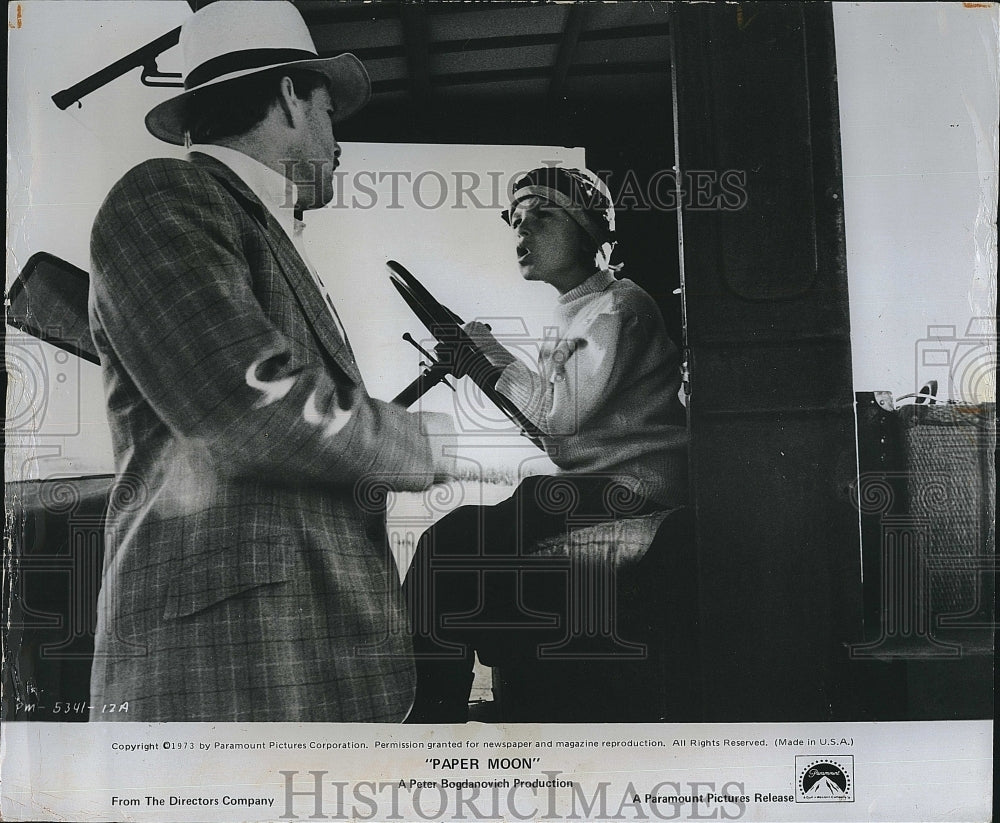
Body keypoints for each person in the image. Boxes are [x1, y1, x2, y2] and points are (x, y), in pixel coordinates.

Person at [88, 1, 454, 722]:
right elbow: (244, 399)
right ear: (289, 95)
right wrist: (424, 441)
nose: (336, 142)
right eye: (328, 111)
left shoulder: (252, 227)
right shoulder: (166, 195)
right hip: (228, 667)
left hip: (288, 659)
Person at [403, 166, 689, 722]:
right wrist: (485, 368)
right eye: (515, 220)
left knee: (451, 540)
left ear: (587, 229)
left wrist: (492, 357)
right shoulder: (578, 311)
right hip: (598, 485)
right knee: (468, 534)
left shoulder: (618, 309)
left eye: (543, 215)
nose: (522, 231)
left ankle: (431, 714)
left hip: (633, 488)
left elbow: (560, 427)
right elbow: (555, 430)